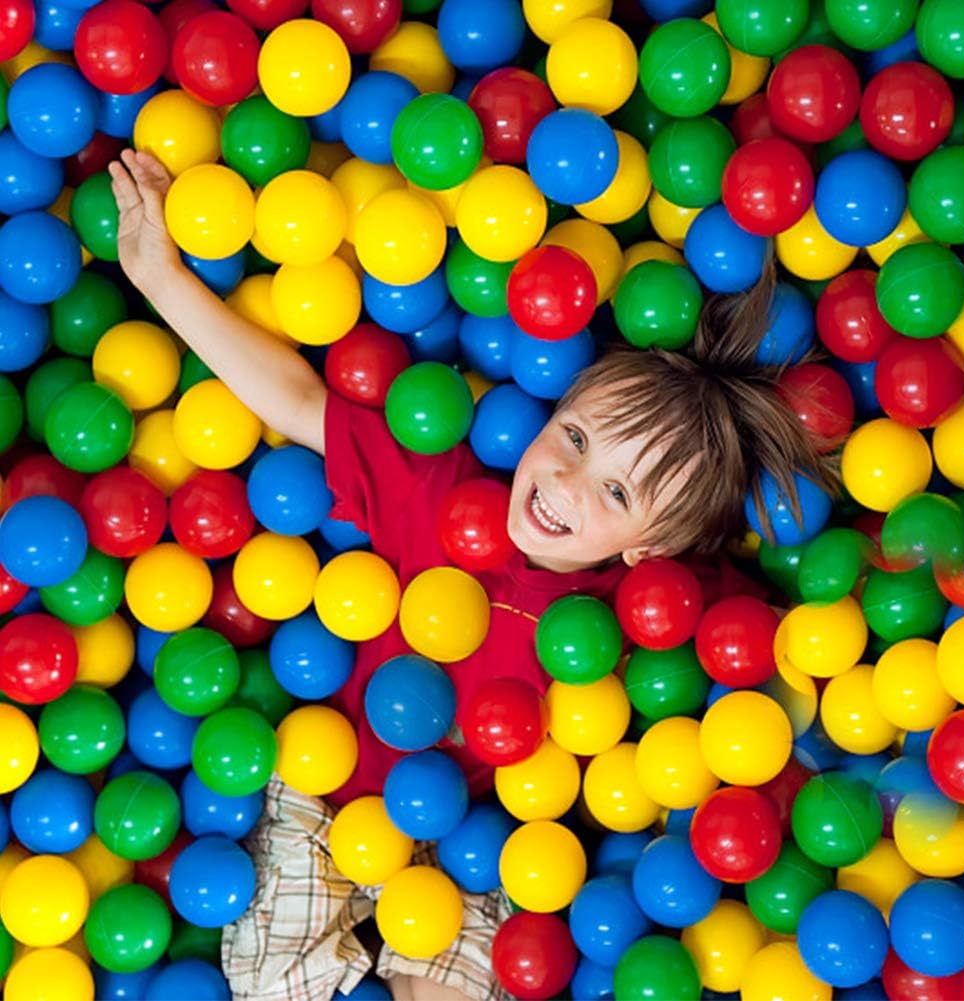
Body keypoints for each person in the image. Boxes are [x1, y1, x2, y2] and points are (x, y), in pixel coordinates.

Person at [109, 150, 836, 1001]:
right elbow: (298, 403)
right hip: (330, 791)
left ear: (651, 550)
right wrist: (160, 278)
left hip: (486, 836)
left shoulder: (657, 617)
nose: (564, 482)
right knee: (269, 976)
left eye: (614, 490)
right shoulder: (444, 494)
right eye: (572, 436)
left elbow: (780, 655)